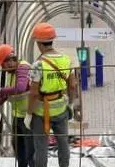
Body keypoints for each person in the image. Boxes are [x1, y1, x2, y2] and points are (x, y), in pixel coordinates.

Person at [25, 22, 80, 167]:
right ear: (52, 40)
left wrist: (29, 114)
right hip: (61, 108)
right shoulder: (66, 60)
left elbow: (34, 93)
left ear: (39, 43)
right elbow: (73, 85)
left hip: (41, 112)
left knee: (41, 148)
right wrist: (70, 105)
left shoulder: (38, 65)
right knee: (63, 144)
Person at [0, 44, 33, 167]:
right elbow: (9, 93)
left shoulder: (23, 68)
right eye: (4, 66)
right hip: (18, 116)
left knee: (30, 150)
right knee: (18, 148)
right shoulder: (11, 73)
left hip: (31, 116)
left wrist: (0, 91)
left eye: (10, 61)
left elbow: (20, 88)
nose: (6, 67)